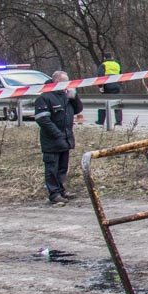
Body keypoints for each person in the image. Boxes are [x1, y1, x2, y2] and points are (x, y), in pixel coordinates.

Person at [34, 70, 84, 206]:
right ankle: (54, 193)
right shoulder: (45, 97)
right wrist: (57, 135)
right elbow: (43, 120)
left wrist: (74, 97)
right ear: (56, 82)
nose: (67, 84)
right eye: (64, 82)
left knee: (62, 168)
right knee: (52, 168)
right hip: (52, 140)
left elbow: (78, 109)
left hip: (65, 139)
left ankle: (62, 190)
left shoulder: (65, 96)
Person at [97, 54, 123, 126]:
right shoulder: (117, 64)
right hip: (117, 86)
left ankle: (101, 121)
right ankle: (118, 121)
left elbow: (100, 76)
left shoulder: (103, 65)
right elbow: (121, 75)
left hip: (107, 86)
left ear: (104, 58)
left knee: (103, 103)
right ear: (112, 57)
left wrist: (100, 87)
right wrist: (120, 85)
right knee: (117, 103)